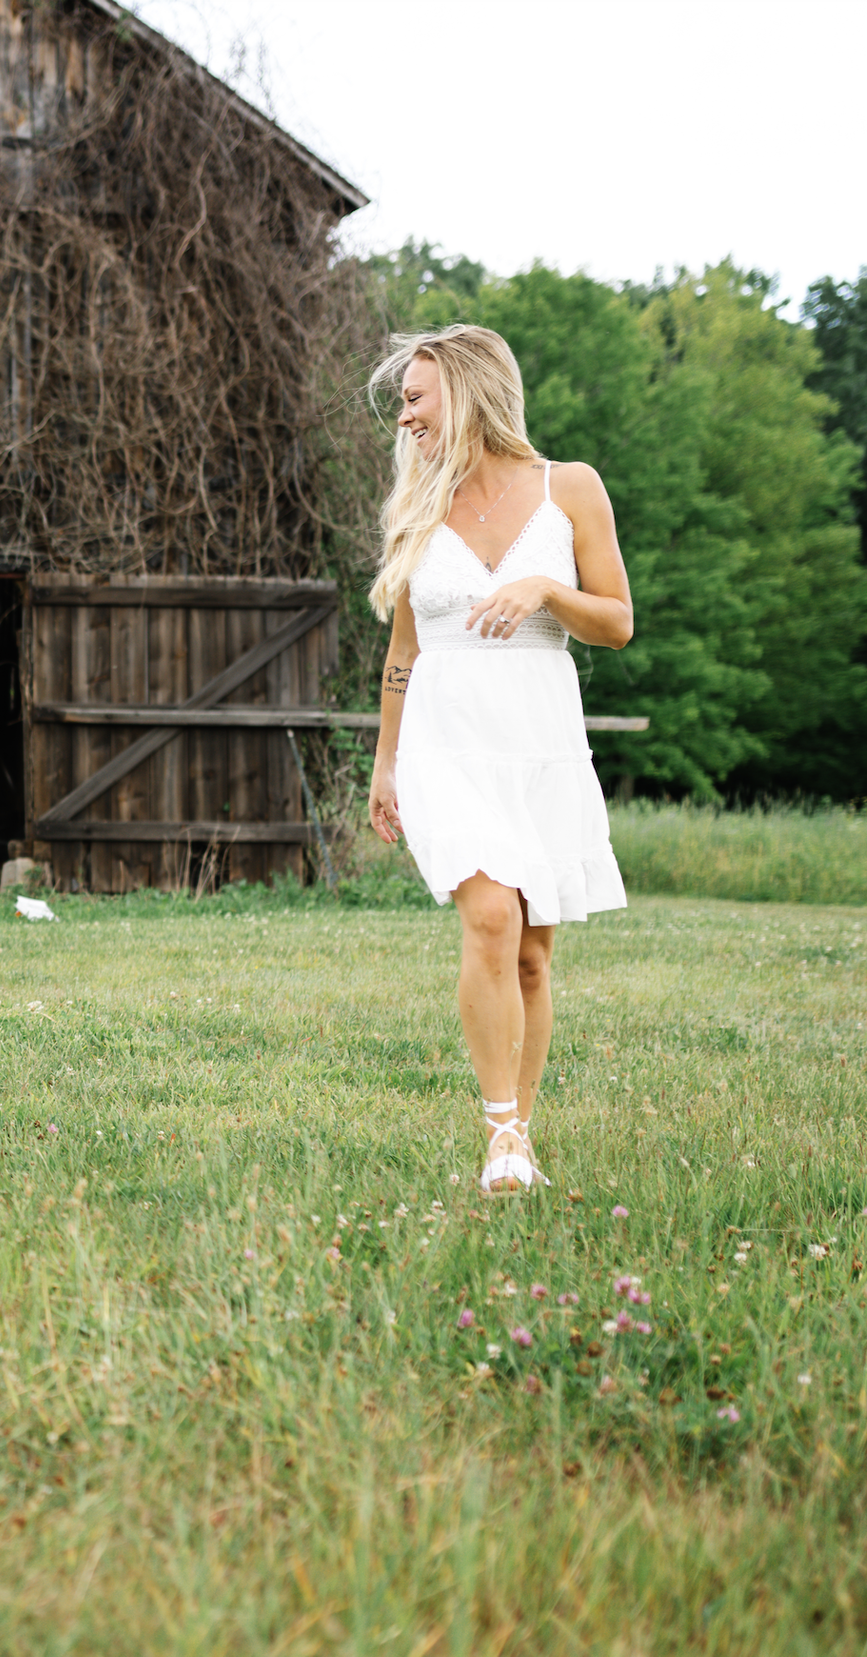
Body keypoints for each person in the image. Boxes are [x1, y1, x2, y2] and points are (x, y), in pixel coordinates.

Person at [364, 325, 634, 1196]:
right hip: (446, 740)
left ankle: (521, 1133)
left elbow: (618, 622)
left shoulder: (571, 488)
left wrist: (546, 589)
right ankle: (501, 1132)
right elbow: (403, 649)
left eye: (415, 396)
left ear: (471, 389)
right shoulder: (416, 507)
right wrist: (386, 761)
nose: (403, 414)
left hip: (541, 740)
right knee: (490, 918)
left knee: (531, 956)